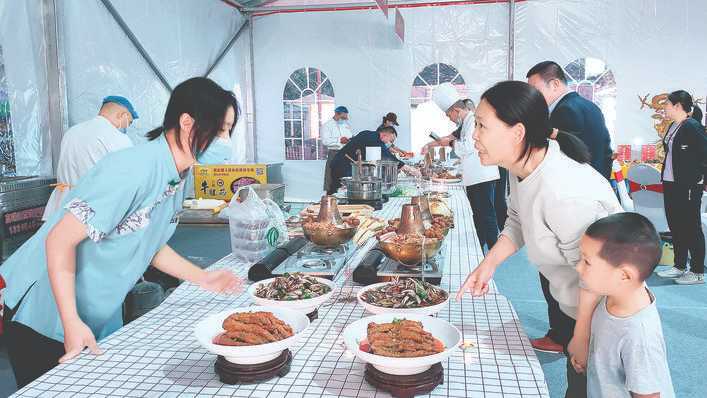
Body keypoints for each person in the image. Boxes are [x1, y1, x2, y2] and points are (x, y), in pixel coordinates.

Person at [0, 77, 244, 388]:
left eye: (229, 130)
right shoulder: (134, 168)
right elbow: (59, 240)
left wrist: (204, 278)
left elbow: (148, 243)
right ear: (187, 122)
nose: (226, 140)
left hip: (95, 315)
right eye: (221, 129)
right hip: (46, 317)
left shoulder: (178, 176)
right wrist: (71, 321)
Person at [457, 81, 623, 398]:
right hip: (575, 305)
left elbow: (594, 276)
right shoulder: (525, 167)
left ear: (517, 132)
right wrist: (487, 265)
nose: (474, 135)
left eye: (481, 125)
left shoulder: (562, 191)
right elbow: (518, 220)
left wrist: (581, 334)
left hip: (605, 315)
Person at [527, 60, 614, 353]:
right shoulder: (590, 106)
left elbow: (563, 157)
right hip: (594, 195)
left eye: (535, 89)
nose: (533, 98)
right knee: (583, 271)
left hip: (570, 203)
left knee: (558, 269)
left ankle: (561, 335)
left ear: (554, 84)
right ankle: (575, 334)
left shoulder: (564, 111)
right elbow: (606, 150)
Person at [577, 213, 675, 398]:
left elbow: (648, 395)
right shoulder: (614, 295)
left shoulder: (640, 337)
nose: (579, 268)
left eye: (587, 262)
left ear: (624, 275)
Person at [428, 83, 501, 253]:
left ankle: (494, 250)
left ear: (455, 110)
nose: (450, 119)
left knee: (487, 215)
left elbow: (469, 146)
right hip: (475, 175)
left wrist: (452, 143)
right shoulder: (467, 122)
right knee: (478, 214)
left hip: (483, 175)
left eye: (449, 115)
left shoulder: (474, 120)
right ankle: (480, 245)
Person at [42, 96, 138, 221]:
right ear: (122, 115)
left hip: (62, 206)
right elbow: (128, 179)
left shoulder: (71, 132)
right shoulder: (118, 138)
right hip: (93, 210)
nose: (126, 127)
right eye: (129, 122)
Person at [656, 90, 707, 285]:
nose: (664, 108)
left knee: (691, 226)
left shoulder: (692, 126)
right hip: (671, 183)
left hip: (688, 185)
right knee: (676, 225)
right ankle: (679, 265)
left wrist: (698, 179)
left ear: (678, 106)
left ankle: (696, 271)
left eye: (667, 104)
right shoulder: (673, 126)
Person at [328, 126, 419, 195]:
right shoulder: (373, 139)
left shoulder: (369, 134)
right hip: (342, 165)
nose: (390, 143)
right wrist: (407, 168)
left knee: (337, 190)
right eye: (391, 140)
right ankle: (330, 208)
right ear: (384, 135)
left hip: (343, 164)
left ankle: (331, 206)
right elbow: (386, 155)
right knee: (339, 192)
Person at [321, 106, 352, 193]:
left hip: (346, 154)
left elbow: (349, 136)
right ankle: (330, 196)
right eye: (343, 117)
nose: (345, 119)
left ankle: (344, 195)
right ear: (337, 114)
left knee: (345, 177)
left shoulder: (345, 125)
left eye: (346, 118)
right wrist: (339, 140)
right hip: (334, 153)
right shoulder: (327, 126)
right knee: (332, 177)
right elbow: (325, 141)